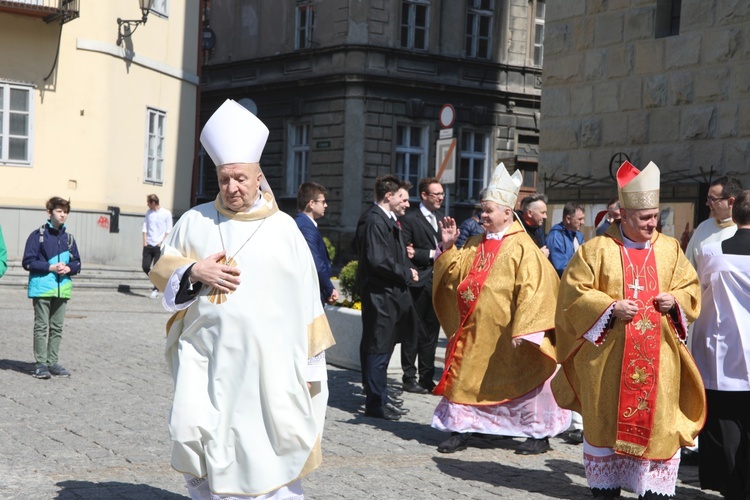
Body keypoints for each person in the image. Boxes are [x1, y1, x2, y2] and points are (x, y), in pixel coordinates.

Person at [149, 99, 335, 499]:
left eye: (240, 179)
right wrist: (194, 271)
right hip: (205, 361)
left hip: (269, 369)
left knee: (266, 451)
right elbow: (161, 272)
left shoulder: (285, 230)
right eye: (224, 179)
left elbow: (308, 304)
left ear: (258, 177)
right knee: (191, 434)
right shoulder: (195, 220)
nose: (232, 187)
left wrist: (312, 370)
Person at [552, 160, 705, 499]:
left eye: (655, 216)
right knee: (606, 430)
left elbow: (691, 287)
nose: (654, 224)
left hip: (660, 362)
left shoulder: (670, 249)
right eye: (645, 218)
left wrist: (675, 299)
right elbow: (573, 293)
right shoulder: (597, 250)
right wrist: (609, 307)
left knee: (659, 433)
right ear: (623, 214)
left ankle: (651, 489)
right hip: (608, 365)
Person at [431, 163, 571, 455]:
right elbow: (454, 276)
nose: (482, 215)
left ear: (507, 213)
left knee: (527, 381)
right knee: (464, 375)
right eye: (482, 210)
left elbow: (538, 288)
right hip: (474, 331)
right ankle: (461, 428)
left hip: (509, 335)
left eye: (488, 210)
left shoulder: (523, 248)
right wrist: (447, 248)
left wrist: (528, 328)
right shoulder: (473, 243)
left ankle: (537, 434)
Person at [692, 189, 750, 499]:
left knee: (726, 425)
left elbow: (698, 295)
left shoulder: (712, 254)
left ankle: (731, 488)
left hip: (723, 353)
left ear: (735, 214)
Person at [357, 175, 420, 420]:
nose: (407, 204)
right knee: (378, 349)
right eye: (403, 198)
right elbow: (377, 260)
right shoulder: (374, 220)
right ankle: (376, 404)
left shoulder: (382, 219)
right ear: (389, 196)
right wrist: (405, 271)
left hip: (387, 295)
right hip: (380, 296)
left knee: (382, 347)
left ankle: (380, 398)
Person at [22, 197, 82, 380]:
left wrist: (69, 268)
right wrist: (50, 267)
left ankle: (52, 362)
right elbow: (28, 262)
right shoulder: (37, 235)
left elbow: (77, 263)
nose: (63, 214)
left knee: (57, 327)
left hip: (62, 288)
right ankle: (40, 364)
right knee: (41, 326)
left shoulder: (69, 239)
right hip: (42, 287)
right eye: (59, 211)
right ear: (50, 212)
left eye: (65, 211)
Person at [400, 177, 444, 394]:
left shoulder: (442, 219)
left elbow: (446, 249)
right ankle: (409, 377)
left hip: (438, 284)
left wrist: (425, 253)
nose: (441, 198)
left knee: (432, 333)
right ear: (424, 195)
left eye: (442, 194)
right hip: (418, 282)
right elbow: (406, 252)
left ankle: (427, 377)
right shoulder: (410, 219)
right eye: (436, 194)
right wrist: (429, 255)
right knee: (413, 331)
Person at [684, 176, 743, 270]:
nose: (707, 203)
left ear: (731, 202)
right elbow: (688, 267)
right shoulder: (703, 227)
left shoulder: (743, 230)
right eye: (708, 198)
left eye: (713, 199)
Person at [295, 181, 339, 305]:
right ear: (311, 204)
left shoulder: (303, 224)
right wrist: (329, 289)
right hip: (310, 295)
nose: (326, 205)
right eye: (323, 202)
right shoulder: (306, 227)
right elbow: (316, 262)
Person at [142, 194, 172, 299]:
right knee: (145, 266)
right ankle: (157, 282)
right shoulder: (148, 213)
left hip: (159, 246)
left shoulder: (166, 213)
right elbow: (145, 228)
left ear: (153, 202)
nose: (147, 205)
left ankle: (156, 288)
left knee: (156, 268)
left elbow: (169, 230)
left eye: (148, 203)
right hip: (148, 244)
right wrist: (144, 242)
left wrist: (162, 242)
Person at [546, 201, 585, 277]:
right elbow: (561, 266)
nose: (583, 222)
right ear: (568, 219)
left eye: (583, 218)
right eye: (580, 219)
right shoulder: (555, 236)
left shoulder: (578, 236)